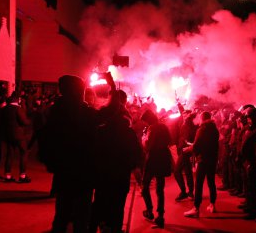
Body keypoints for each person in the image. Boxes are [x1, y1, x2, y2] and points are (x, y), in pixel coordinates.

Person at [38, 75, 97, 233]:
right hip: (83, 173)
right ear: (79, 91)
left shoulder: (54, 112)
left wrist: (52, 163)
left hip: (63, 171)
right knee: (81, 216)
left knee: (62, 213)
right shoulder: (86, 114)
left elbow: (45, 140)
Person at [89, 89, 143, 233]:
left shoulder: (100, 131)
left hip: (102, 177)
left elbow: (93, 153)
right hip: (120, 177)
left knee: (99, 204)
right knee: (117, 207)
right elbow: (136, 154)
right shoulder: (128, 133)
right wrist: (137, 171)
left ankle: (97, 226)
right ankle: (113, 228)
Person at [140, 109, 172, 229]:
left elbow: (148, 146)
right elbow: (170, 140)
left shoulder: (152, 128)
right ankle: (160, 216)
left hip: (153, 159)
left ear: (148, 119)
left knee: (145, 185)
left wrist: (143, 140)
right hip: (163, 158)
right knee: (160, 188)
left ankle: (149, 210)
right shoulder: (163, 126)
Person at [184, 111, 220, 218]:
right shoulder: (214, 128)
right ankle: (212, 205)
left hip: (203, 159)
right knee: (211, 182)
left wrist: (188, 149)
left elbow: (197, 145)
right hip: (212, 159)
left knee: (199, 183)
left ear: (202, 118)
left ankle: (196, 208)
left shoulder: (202, 129)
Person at [2, 92, 31, 183]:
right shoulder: (18, 109)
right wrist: (29, 121)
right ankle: (22, 176)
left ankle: (8, 176)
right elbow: (24, 122)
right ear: (18, 100)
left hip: (8, 135)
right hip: (18, 135)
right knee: (23, 153)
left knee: (10, 155)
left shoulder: (4, 109)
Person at [174, 110, 197, 201]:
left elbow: (186, 138)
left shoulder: (188, 124)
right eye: (182, 114)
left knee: (177, 171)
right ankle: (190, 192)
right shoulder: (186, 123)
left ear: (189, 115)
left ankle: (183, 192)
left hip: (185, 150)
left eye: (185, 114)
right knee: (188, 171)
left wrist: (185, 146)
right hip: (184, 149)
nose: (183, 115)